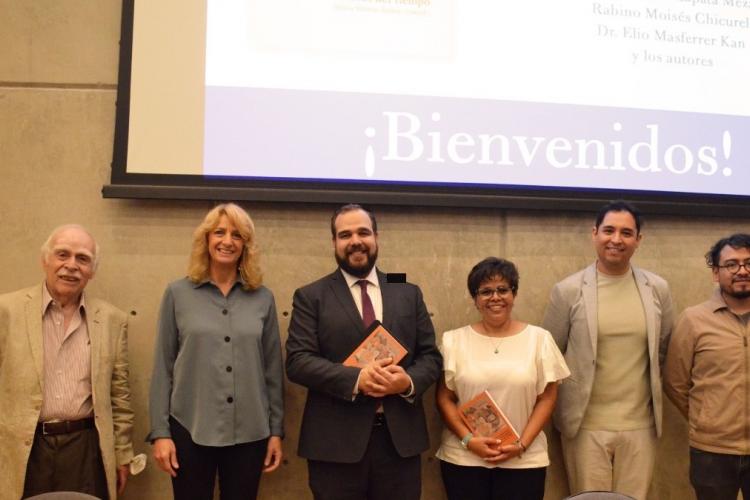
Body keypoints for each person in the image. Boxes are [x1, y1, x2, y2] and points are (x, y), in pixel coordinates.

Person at [285, 203, 442, 500]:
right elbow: (298, 361)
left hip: (399, 445)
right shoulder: (311, 294)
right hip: (334, 447)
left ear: (376, 238)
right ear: (334, 242)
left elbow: (430, 357)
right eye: (345, 234)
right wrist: (357, 380)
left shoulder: (406, 288)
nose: (355, 240)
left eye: (363, 232)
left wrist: (407, 382)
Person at [149, 203, 284, 500]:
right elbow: (163, 366)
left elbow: (272, 370)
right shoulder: (177, 294)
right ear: (206, 240)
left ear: (246, 245)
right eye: (219, 232)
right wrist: (161, 433)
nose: (227, 241)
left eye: (237, 235)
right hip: (190, 427)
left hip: (251, 432)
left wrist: (276, 431)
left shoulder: (263, 298)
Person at [542, 200, 674, 500]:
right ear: (594, 233)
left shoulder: (658, 289)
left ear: (638, 240)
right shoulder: (568, 290)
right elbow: (550, 355)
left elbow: (663, 348)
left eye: (626, 233)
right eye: (609, 230)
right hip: (585, 426)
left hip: (641, 425)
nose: (617, 239)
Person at [0, 224, 135, 499]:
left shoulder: (112, 321)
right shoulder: (6, 312)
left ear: (92, 271)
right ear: (45, 260)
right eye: (63, 254)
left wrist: (122, 454)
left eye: (82, 258)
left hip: (85, 448)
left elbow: (119, 396)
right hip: (25, 448)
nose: (71, 266)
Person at [436, 257, 569, 500]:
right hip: (465, 459)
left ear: (514, 294)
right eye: (485, 291)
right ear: (475, 299)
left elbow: (548, 398)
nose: (495, 297)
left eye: (502, 289)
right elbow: (444, 398)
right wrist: (468, 440)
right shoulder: (453, 341)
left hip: (524, 460)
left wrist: (521, 445)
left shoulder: (539, 339)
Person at [664, 233, 750, 500]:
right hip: (712, 449)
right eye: (731, 264)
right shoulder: (693, 320)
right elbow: (675, 383)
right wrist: (706, 418)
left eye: (748, 263)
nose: (742, 271)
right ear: (716, 273)